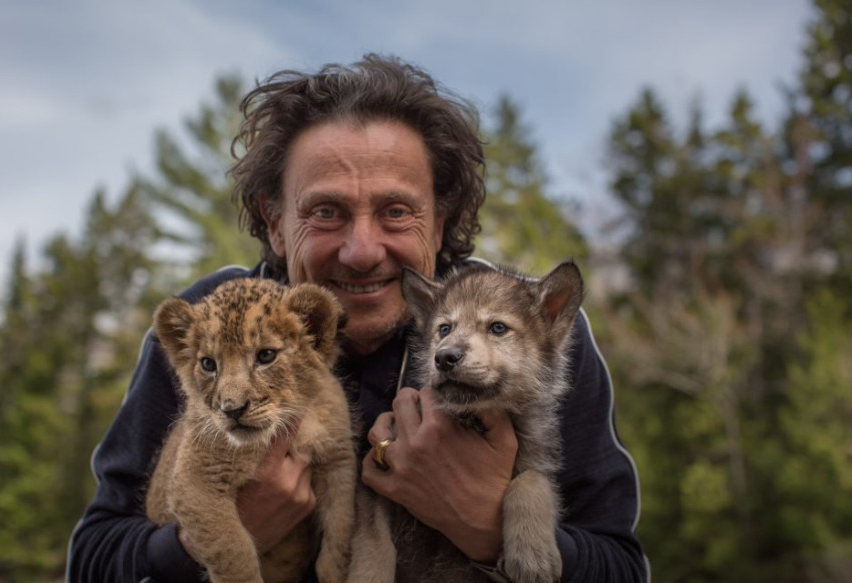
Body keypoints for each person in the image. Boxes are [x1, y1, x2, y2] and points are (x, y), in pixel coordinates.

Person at [66, 53, 648, 583]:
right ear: (274, 221)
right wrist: (207, 541)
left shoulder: (524, 324)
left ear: (439, 222)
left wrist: (484, 524)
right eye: (326, 211)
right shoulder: (207, 329)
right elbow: (93, 556)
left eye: (396, 211)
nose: (362, 250)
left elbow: (622, 566)